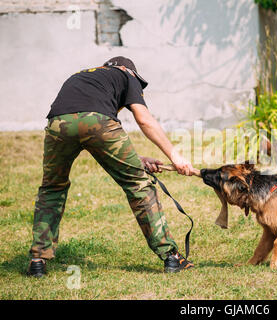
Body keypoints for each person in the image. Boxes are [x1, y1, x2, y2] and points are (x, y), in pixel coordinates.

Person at [27, 56, 195, 277]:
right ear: (128, 70)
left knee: (52, 188)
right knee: (138, 186)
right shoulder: (127, 74)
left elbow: (91, 133)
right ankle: (171, 257)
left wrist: (137, 160)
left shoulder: (84, 76)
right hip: (98, 122)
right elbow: (142, 120)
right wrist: (175, 156)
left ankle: (38, 259)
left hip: (58, 122)